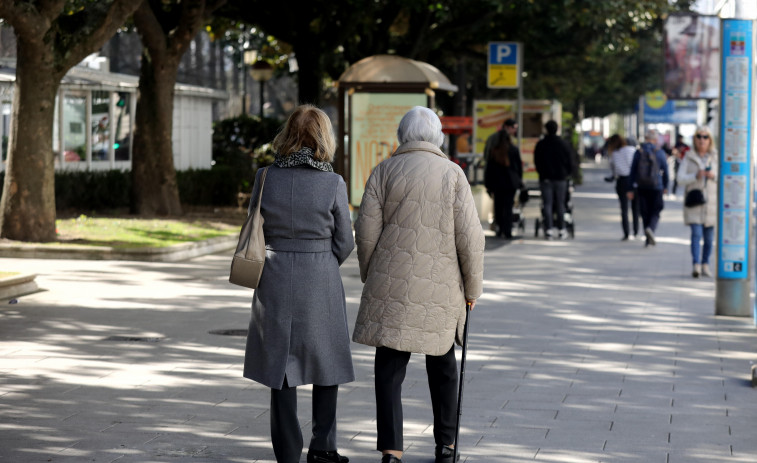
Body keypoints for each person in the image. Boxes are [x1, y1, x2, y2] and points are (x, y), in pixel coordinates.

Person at [353, 106, 485, 463]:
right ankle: (446, 445)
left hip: (390, 284)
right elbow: (470, 239)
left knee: (389, 368)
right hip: (441, 287)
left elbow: (365, 233)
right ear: (437, 136)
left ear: (402, 134)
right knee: (442, 365)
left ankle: (392, 449)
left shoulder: (383, 171)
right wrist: (473, 289)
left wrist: (371, 272)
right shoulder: (453, 175)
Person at [242, 105, 354, 463]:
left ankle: (288, 452)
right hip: (319, 274)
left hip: (274, 274)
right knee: (327, 363)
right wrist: (322, 258)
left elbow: (253, 225)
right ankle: (323, 447)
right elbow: (346, 240)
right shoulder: (332, 182)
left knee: (281, 366)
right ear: (323, 137)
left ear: (287, 135)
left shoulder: (265, 177)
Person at [677, 126, 717, 277]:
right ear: (694, 139)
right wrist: (696, 175)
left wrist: (713, 175)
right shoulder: (688, 156)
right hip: (694, 202)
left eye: (705, 137)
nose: (702, 140)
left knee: (708, 238)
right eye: (699, 136)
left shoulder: (715, 156)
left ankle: (705, 263)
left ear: (710, 140)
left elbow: (725, 178)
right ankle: (696, 264)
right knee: (696, 234)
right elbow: (680, 179)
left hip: (711, 203)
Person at [628, 130, 669, 247]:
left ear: (645, 138)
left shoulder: (638, 152)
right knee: (656, 210)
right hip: (657, 186)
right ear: (655, 140)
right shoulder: (659, 152)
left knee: (644, 212)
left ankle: (647, 237)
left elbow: (632, 171)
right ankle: (651, 228)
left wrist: (630, 189)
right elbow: (665, 171)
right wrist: (665, 186)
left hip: (641, 186)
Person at [533, 120, 574, 239]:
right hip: (561, 178)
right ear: (558, 129)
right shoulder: (564, 144)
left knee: (547, 204)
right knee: (561, 204)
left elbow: (537, 161)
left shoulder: (541, 144)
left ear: (546, 129)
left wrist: (542, 173)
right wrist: (567, 174)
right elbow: (570, 162)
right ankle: (562, 229)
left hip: (546, 178)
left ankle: (549, 229)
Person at [484, 121, 523, 239]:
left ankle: (499, 229)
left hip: (497, 183)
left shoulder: (494, 151)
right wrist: (519, 181)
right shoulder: (513, 150)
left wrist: (488, 184)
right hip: (510, 183)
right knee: (508, 207)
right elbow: (518, 168)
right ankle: (508, 230)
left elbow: (489, 168)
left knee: (498, 206)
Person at [606, 134, 640, 240]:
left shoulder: (614, 154)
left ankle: (626, 233)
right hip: (634, 180)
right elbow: (636, 165)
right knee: (635, 208)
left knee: (624, 208)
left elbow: (613, 169)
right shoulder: (632, 150)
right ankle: (635, 231)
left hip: (622, 181)